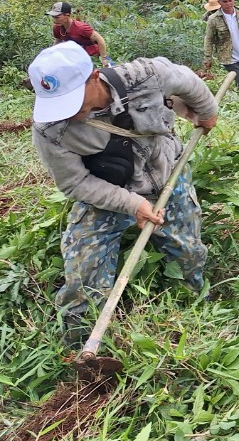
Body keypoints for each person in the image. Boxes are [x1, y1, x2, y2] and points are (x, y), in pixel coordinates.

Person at [27, 41, 218, 347]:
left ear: (93, 77)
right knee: (83, 271)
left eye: (73, 100)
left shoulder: (146, 76)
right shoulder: (49, 128)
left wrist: (207, 113)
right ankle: (80, 344)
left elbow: (190, 82)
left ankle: (198, 305)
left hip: (166, 174)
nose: (68, 112)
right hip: (107, 192)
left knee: (187, 253)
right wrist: (132, 203)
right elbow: (74, 184)